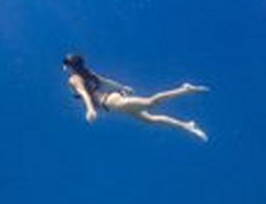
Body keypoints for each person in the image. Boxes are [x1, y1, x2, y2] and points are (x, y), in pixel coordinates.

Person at [62, 54, 209, 142]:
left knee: (150, 103)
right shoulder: (86, 73)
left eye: (65, 65)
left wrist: (89, 110)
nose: (64, 68)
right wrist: (122, 87)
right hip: (114, 100)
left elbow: (84, 93)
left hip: (112, 102)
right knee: (150, 120)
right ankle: (187, 126)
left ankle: (184, 89)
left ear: (71, 67)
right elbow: (105, 81)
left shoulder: (74, 79)